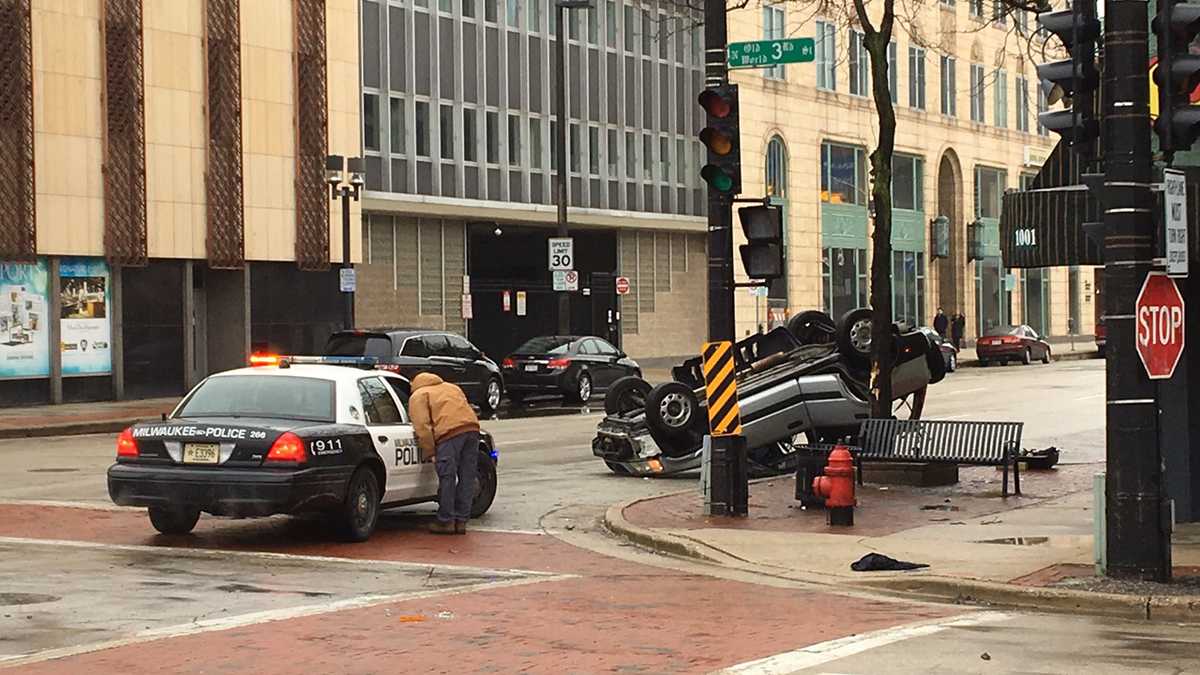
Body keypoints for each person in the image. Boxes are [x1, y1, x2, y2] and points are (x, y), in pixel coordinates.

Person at [408, 372, 481, 535]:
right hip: (472, 428)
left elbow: (422, 427)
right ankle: (461, 521)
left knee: (447, 476)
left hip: (449, 434)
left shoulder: (419, 395)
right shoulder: (451, 387)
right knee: (467, 476)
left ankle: (446, 521)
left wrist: (430, 451)